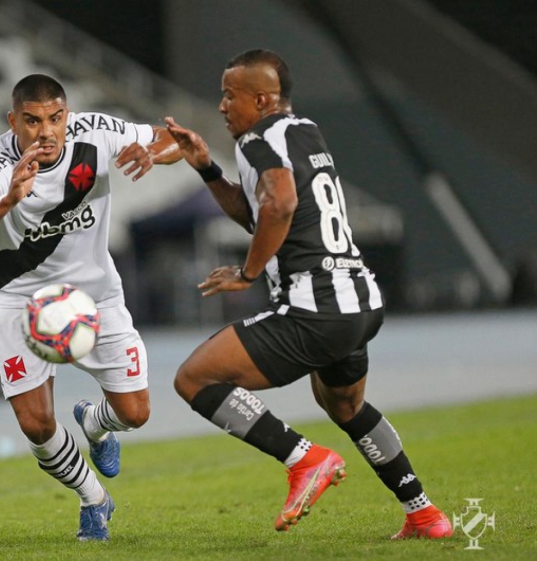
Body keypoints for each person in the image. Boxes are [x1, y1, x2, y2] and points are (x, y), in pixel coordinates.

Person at [165, 49, 452, 539]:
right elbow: (264, 210)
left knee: (195, 379)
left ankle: (305, 459)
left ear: (260, 99)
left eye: (229, 95)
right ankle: (424, 513)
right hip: (358, 302)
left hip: (315, 305)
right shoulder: (303, 131)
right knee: (345, 406)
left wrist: (249, 272)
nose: (221, 106)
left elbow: (279, 204)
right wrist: (207, 168)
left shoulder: (257, 138)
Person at [0, 74, 181, 541]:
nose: (46, 131)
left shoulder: (94, 132)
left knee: (136, 412)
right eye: (32, 121)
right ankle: (93, 499)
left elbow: (175, 138)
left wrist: (154, 152)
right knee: (35, 423)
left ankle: (94, 423)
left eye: (55, 118)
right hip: (20, 300)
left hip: (95, 294)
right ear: (14, 121)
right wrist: (8, 202)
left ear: (67, 115)